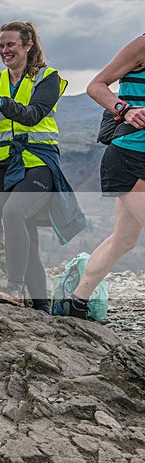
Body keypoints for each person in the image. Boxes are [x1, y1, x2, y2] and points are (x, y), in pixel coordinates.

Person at [0, 21, 85, 312]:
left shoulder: (48, 77)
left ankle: (13, 288)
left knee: (14, 214)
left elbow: (34, 114)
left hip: (37, 162)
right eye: (1, 45)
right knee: (28, 236)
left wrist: (3, 104)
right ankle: (41, 308)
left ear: (27, 45)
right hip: (1, 165)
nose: (4, 50)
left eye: (10, 44)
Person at [59, 35, 145, 319]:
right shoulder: (142, 46)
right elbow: (95, 86)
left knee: (124, 240)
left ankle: (77, 303)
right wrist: (125, 109)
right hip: (130, 156)